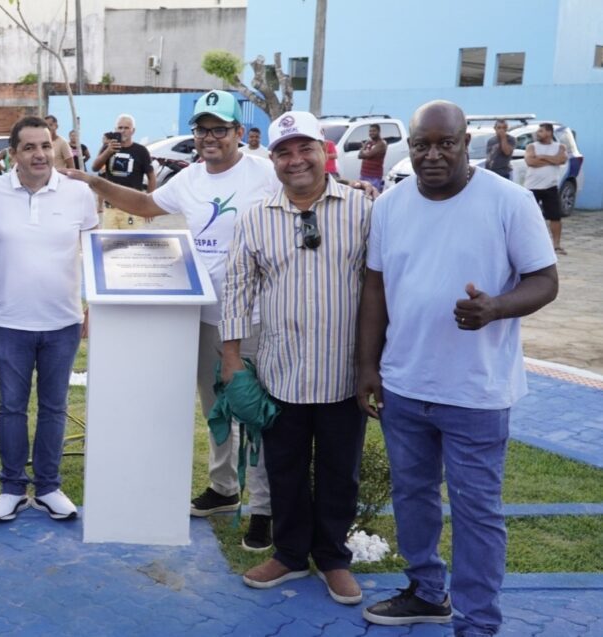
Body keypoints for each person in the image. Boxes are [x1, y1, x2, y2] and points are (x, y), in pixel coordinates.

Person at [357, 100, 559, 637]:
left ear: (466, 141)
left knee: (476, 512)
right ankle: (426, 591)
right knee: (413, 497)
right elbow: (375, 289)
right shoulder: (390, 206)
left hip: (476, 391)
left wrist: (495, 307)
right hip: (404, 385)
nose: (432, 155)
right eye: (421, 144)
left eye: (444, 143)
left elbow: (545, 281)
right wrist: (367, 366)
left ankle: (478, 622)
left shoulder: (510, 201)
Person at [64, 90, 281, 550]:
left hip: (257, 315)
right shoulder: (190, 179)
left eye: (219, 129)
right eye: (202, 129)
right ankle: (224, 488)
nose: (209, 138)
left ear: (238, 134)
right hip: (203, 315)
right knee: (215, 408)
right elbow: (146, 206)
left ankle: (263, 509)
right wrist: (96, 183)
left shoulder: (263, 171)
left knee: (255, 413)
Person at [221, 111, 372, 605]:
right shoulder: (255, 217)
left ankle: (331, 558)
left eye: (305, 148)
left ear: (324, 152)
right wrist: (231, 359)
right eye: (284, 152)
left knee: (339, 472)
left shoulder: (362, 210)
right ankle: (288, 554)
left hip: (343, 375)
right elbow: (239, 290)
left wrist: (375, 362)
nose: (295, 159)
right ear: (274, 160)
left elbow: (382, 287)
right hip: (281, 373)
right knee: (282, 468)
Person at [0, 116, 98, 523]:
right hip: (9, 321)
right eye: (28, 147)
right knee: (11, 407)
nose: (39, 154)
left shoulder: (79, 194)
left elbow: (94, 251)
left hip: (62, 321)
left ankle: (47, 486)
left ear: (55, 146)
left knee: (54, 406)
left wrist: (92, 306)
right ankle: (12, 487)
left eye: (45, 145)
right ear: (13, 154)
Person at [92, 113, 155, 229]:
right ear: (115, 129)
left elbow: (152, 177)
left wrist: (149, 205)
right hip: (110, 208)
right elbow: (95, 168)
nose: (123, 131)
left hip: (132, 209)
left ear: (133, 131)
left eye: (126, 128)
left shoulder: (141, 151)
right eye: (120, 128)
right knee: (109, 245)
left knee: (132, 245)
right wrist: (108, 151)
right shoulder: (108, 148)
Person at [523, 122, 568, 255]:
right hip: (532, 187)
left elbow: (561, 160)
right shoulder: (532, 146)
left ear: (549, 132)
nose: (538, 133)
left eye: (541, 131)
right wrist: (552, 160)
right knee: (528, 217)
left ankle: (556, 245)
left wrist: (542, 157)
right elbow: (531, 162)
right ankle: (528, 245)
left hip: (550, 186)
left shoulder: (559, 146)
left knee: (555, 217)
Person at [358, 124, 387, 192]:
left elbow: (368, 155)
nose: (371, 133)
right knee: (362, 196)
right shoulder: (369, 142)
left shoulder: (382, 144)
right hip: (363, 175)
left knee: (373, 197)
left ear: (379, 131)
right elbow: (359, 156)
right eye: (370, 131)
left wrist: (363, 151)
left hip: (374, 177)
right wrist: (364, 151)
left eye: (374, 131)